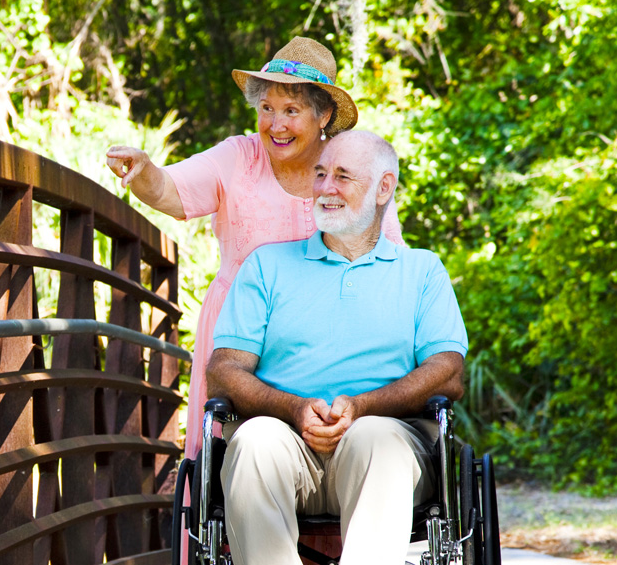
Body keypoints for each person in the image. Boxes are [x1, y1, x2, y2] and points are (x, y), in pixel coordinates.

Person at [204, 130, 467, 565]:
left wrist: (365, 406)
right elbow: (224, 372)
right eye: (320, 174)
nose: (324, 186)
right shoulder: (268, 266)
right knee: (249, 440)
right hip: (288, 439)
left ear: (384, 188)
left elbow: (449, 371)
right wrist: (293, 408)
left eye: (342, 176)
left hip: (385, 439)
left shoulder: (420, 271)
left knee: (374, 437)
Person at [106, 35, 404, 458]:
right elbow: (172, 191)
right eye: (267, 108)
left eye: (291, 110)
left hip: (331, 338)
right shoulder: (238, 156)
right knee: (235, 463)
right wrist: (144, 170)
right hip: (239, 339)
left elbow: (389, 257)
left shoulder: (351, 165)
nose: (275, 124)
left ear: (324, 116)